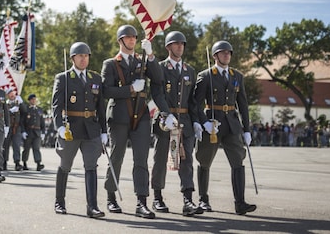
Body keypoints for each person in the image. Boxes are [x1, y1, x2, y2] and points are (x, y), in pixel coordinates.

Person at [101, 25, 165, 219]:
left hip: (141, 115)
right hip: (119, 116)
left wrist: (151, 55)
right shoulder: (111, 63)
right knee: (117, 157)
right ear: (120, 40)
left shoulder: (143, 60)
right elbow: (106, 91)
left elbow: (159, 79)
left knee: (141, 159)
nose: (131, 40)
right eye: (127, 38)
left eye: (134, 38)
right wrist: (130, 89)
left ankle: (142, 202)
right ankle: (111, 197)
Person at [193, 40, 257, 215]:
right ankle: (203, 199)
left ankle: (240, 203)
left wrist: (246, 129)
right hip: (212, 123)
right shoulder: (206, 76)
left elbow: (242, 104)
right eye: (223, 52)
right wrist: (203, 121)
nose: (227, 55)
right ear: (215, 56)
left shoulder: (237, 76)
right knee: (204, 160)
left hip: (232, 124)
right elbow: (196, 103)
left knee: (238, 161)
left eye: (229, 52)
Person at [150, 31, 204, 216]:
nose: (180, 46)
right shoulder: (160, 68)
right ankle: (157, 197)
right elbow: (157, 93)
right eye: (176, 43)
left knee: (187, 160)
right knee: (160, 159)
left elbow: (193, 100)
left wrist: (196, 121)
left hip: (185, 122)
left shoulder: (189, 70)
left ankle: (188, 200)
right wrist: (166, 113)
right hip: (166, 121)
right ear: (168, 47)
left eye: (182, 43)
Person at [52, 42, 107, 218]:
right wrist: (59, 126)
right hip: (71, 129)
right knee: (65, 166)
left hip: (91, 129)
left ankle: (92, 206)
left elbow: (101, 107)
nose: (84, 59)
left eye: (86, 56)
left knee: (91, 167)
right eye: (80, 56)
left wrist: (104, 131)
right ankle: (59, 202)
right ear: (73, 58)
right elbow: (56, 105)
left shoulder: (95, 78)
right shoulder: (64, 78)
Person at [21, 94, 45, 171]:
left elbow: (42, 122)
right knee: (26, 149)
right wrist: (23, 131)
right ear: (29, 100)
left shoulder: (39, 109)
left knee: (36, 148)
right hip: (28, 131)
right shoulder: (26, 109)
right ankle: (24, 163)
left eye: (35, 99)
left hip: (37, 132)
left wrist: (43, 132)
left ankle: (38, 163)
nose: (34, 101)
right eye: (32, 99)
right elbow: (22, 122)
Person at [3, 88, 25, 171]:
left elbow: (25, 111)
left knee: (16, 145)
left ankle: (17, 162)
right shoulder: (5, 103)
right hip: (7, 127)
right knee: (5, 145)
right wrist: (10, 111)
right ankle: (4, 162)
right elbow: (2, 113)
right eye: (10, 94)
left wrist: (21, 103)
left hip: (16, 127)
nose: (12, 95)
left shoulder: (18, 103)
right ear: (7, 95)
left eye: (13, 94)